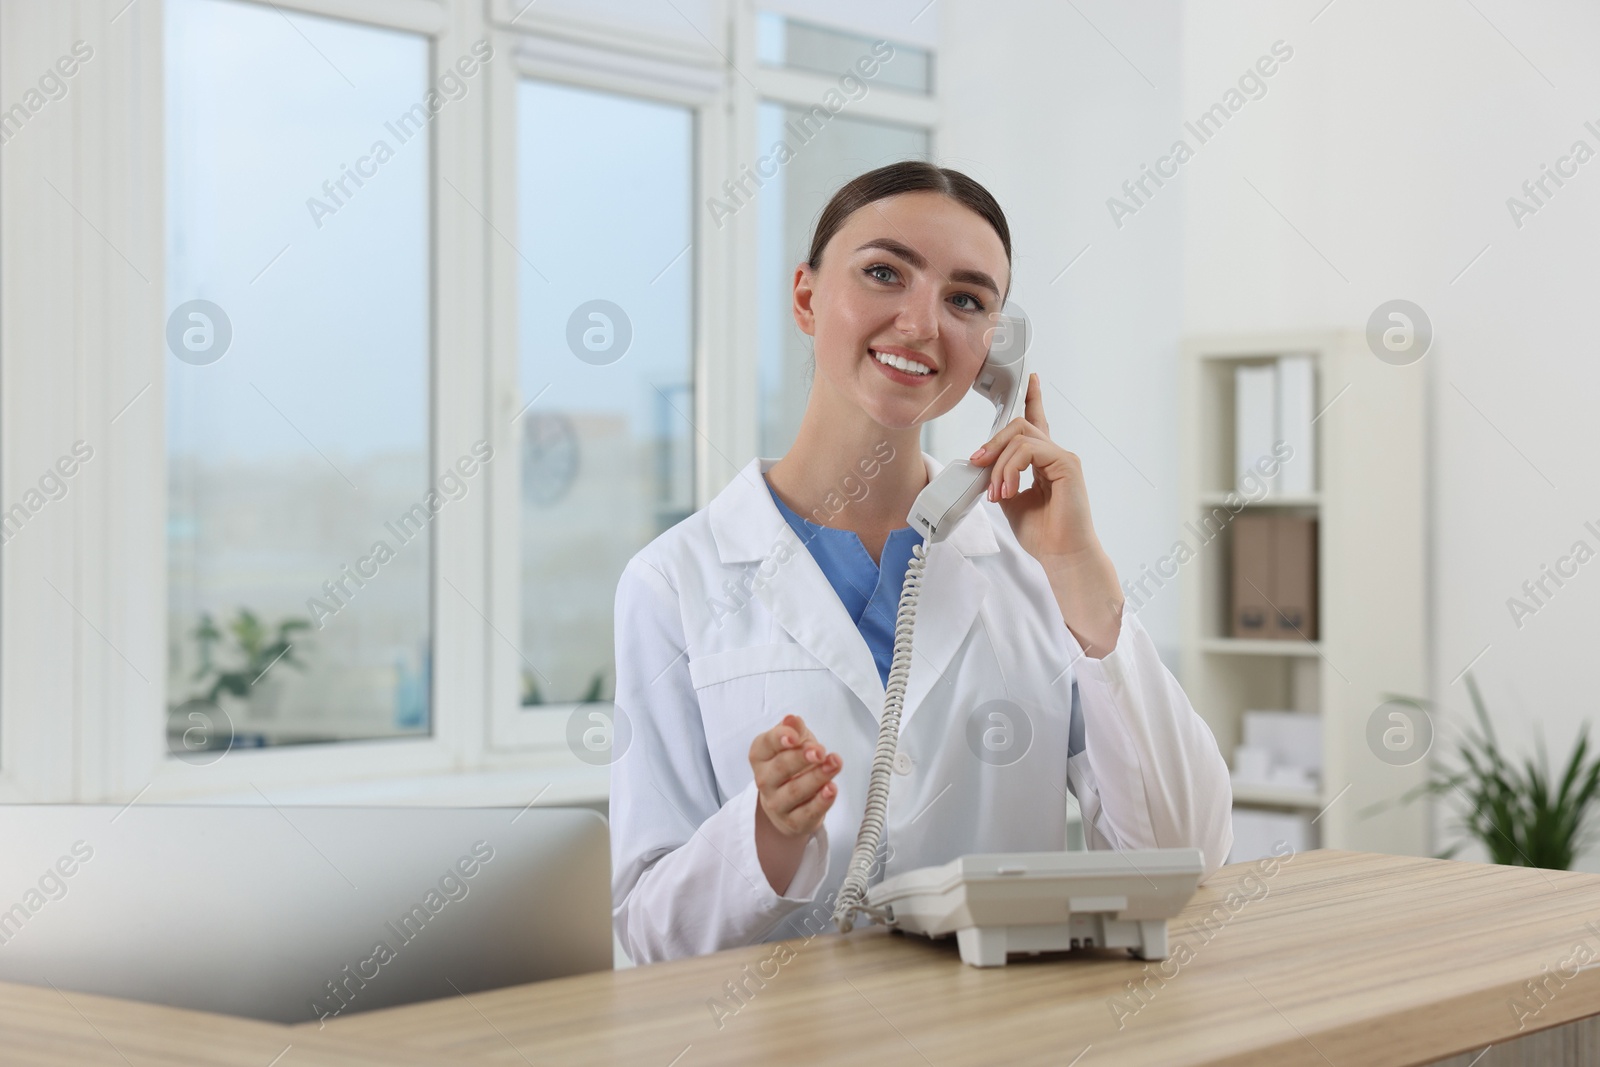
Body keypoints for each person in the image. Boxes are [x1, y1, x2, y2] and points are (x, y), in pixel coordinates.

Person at [609, 160, 1232, 965]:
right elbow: (649, 931)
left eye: (965, 300)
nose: (920, 323)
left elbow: (1189, 852)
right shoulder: (674, 581)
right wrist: (763, 835)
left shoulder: (1032, 567)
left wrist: (1079, 571)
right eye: (882, 273)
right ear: (805, 296)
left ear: (991, 355)